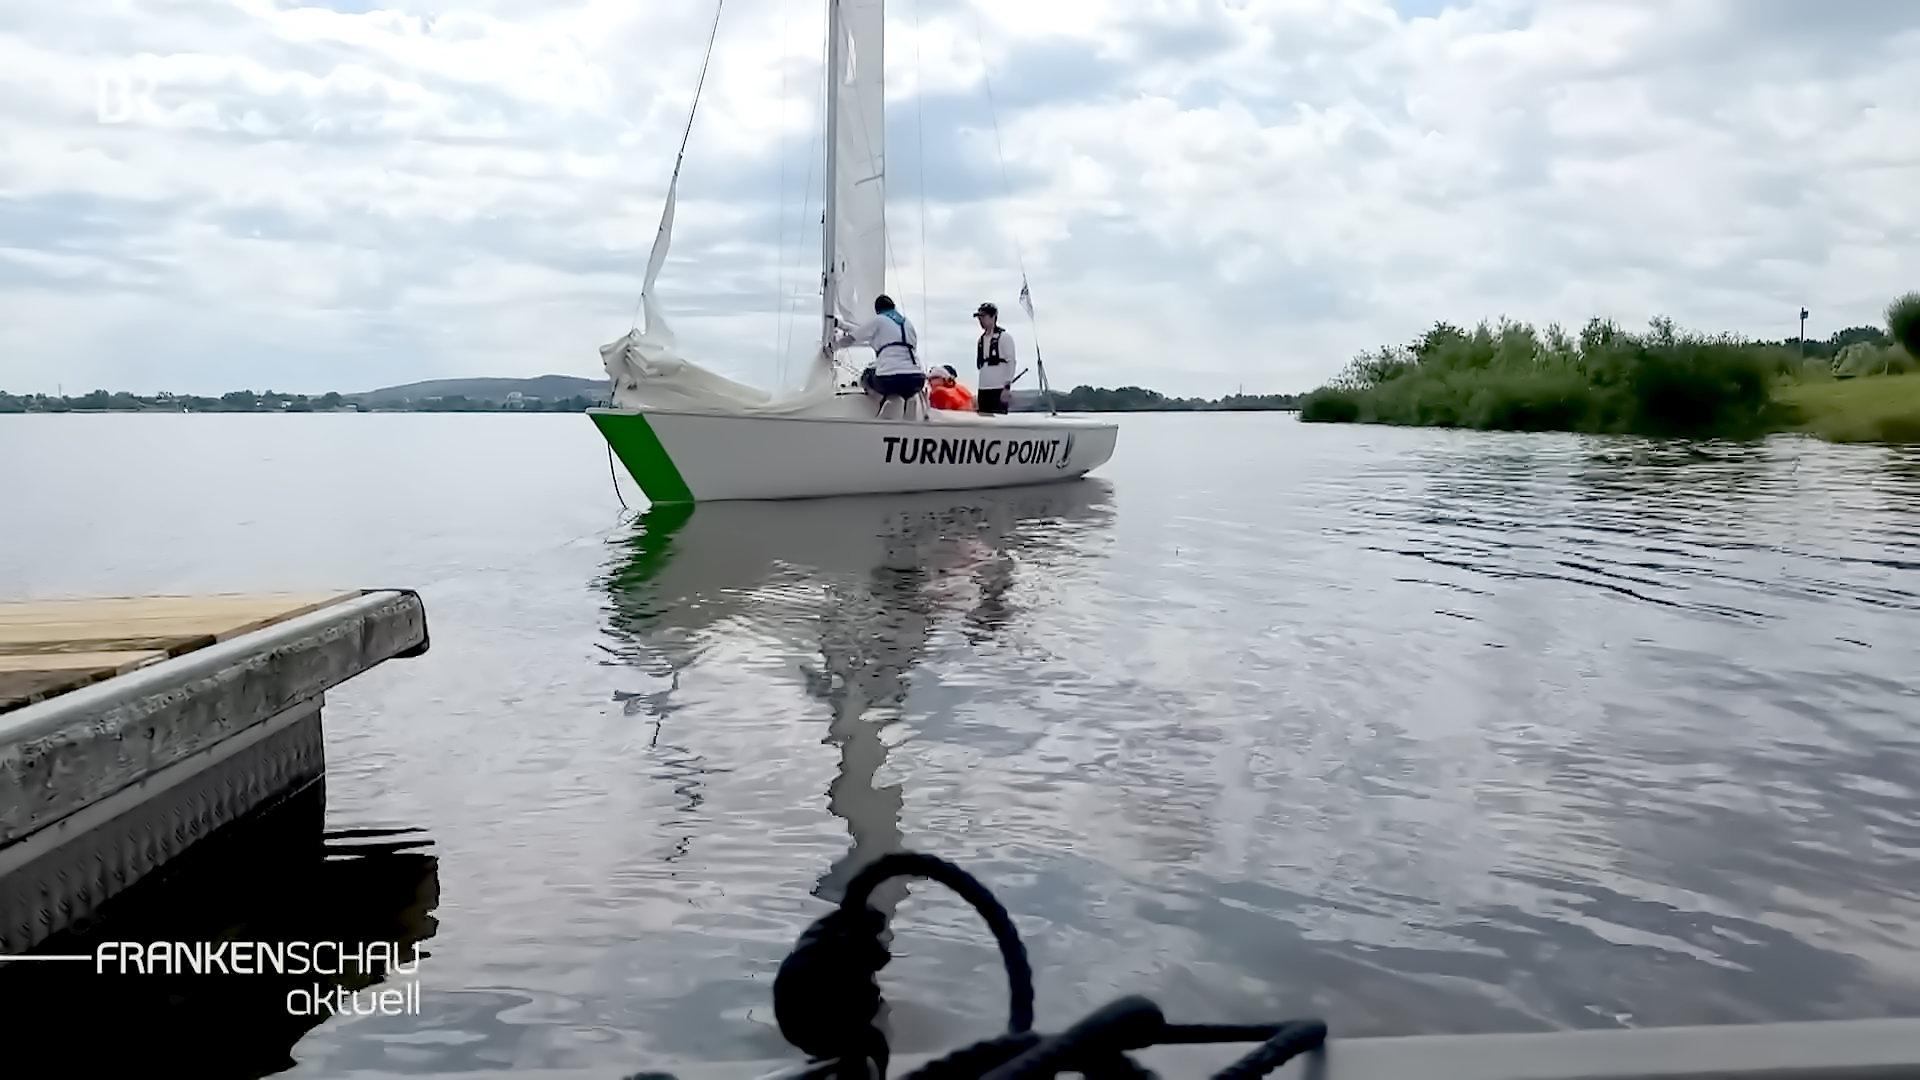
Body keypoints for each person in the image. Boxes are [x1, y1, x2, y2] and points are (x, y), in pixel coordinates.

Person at [838, 295, 924, 415]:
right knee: (906, 386)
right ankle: (909, 402)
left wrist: (834, 346)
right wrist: (841, 325)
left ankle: (889, 403)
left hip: (890, 379)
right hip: (917, 379)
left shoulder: (879, 320)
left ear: (877, 310)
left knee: (867, 377)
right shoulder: (907, 323)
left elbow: (853, 337)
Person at [973, 301, 1015, 414]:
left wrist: (1007, 387)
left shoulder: (1004, 338)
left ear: (993, 317)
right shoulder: (981, 340)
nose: (981, 321)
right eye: (979, 318)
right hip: (983, 388)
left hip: (998, 388)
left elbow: (1011, 362)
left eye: (983, 317)